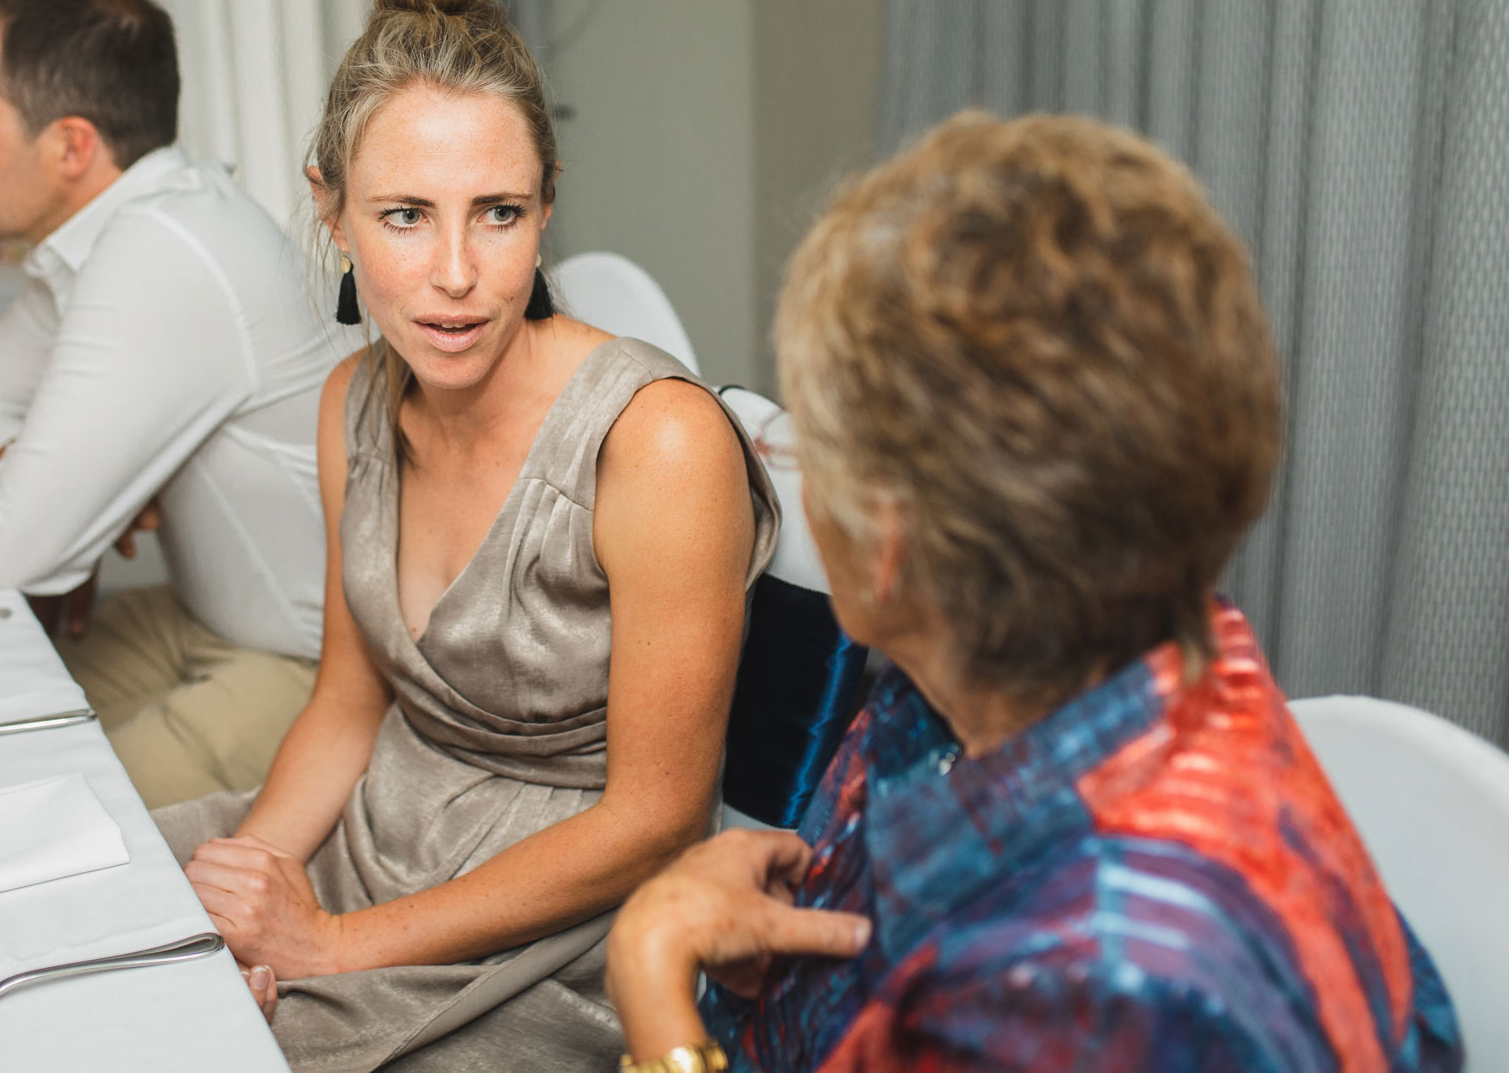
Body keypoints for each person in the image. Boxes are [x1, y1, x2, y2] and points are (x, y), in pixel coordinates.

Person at [605, 113, 1463, 1072]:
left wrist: (657, 998)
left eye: (815, 441)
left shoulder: (1085, 996)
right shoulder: (991, 667)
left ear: (890, 546)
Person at [152, 0, 781, 1072]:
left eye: (496, 213)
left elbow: (656, 818)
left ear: (545, 209)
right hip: (375, 824)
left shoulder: (660, 441)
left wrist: (328, 944)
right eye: (403, 215)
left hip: (562, 916)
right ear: (330, 211)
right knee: (114, 912)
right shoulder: (352, 402)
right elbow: (349, 703)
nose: (455, 273)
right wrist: (248, 895)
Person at [0, 0, 338, 807]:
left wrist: (32, 489)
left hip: (315, 667)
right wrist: (8, 459)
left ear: (71, 145)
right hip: (205, 615)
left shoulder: (160, 249)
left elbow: (20, 548)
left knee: (33, 816)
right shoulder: (107, 240)